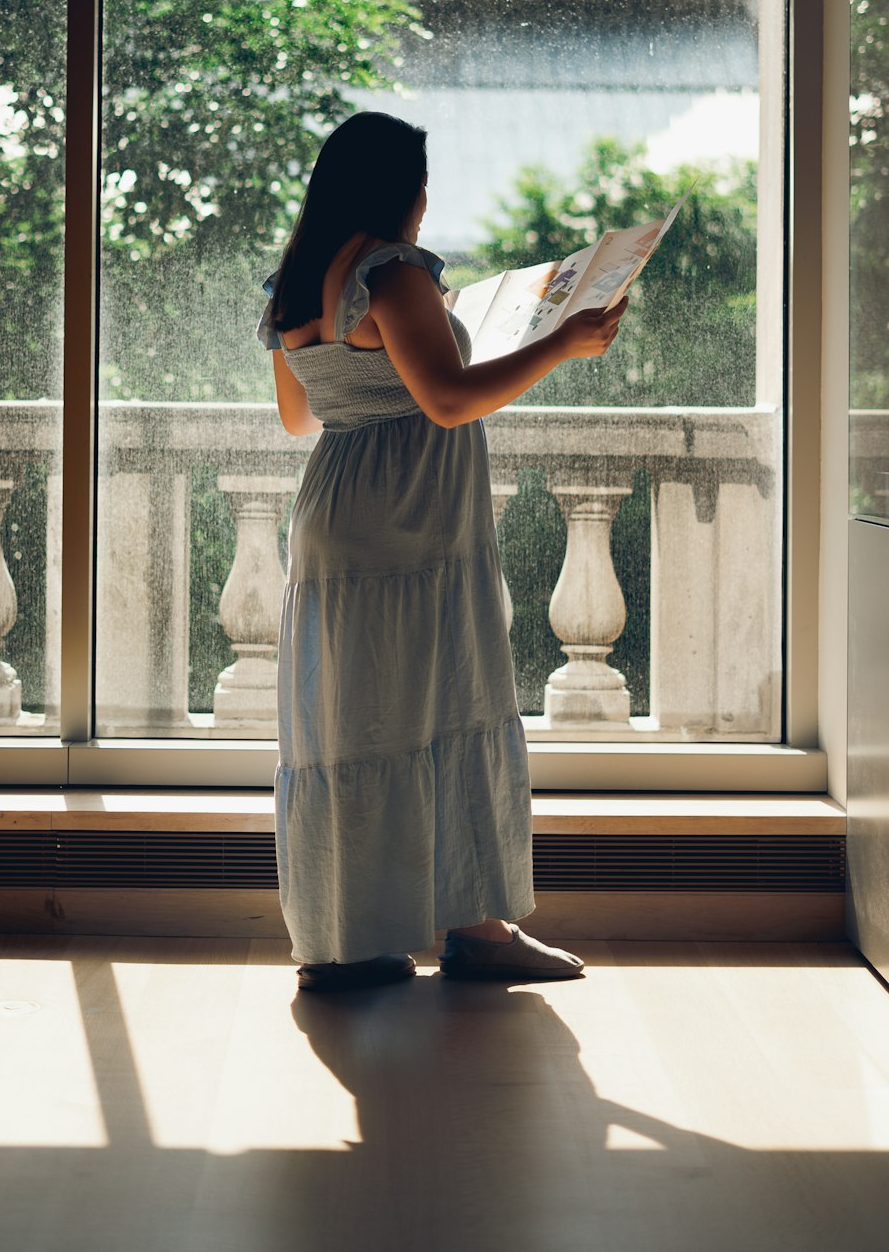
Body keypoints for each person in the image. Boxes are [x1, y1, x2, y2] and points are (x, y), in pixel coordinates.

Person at [258, 112, 627, 992]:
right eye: (422, 184)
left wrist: (403, 351)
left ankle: (347, 940)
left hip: (336, 507)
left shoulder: (298, 282)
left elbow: (299, 417)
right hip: (414, 515)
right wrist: (562, 341)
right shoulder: (394, 269)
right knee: (451, 698)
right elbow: (452, 401)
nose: (427, 203)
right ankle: (478, 929)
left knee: (353, 723)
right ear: (401, 190)